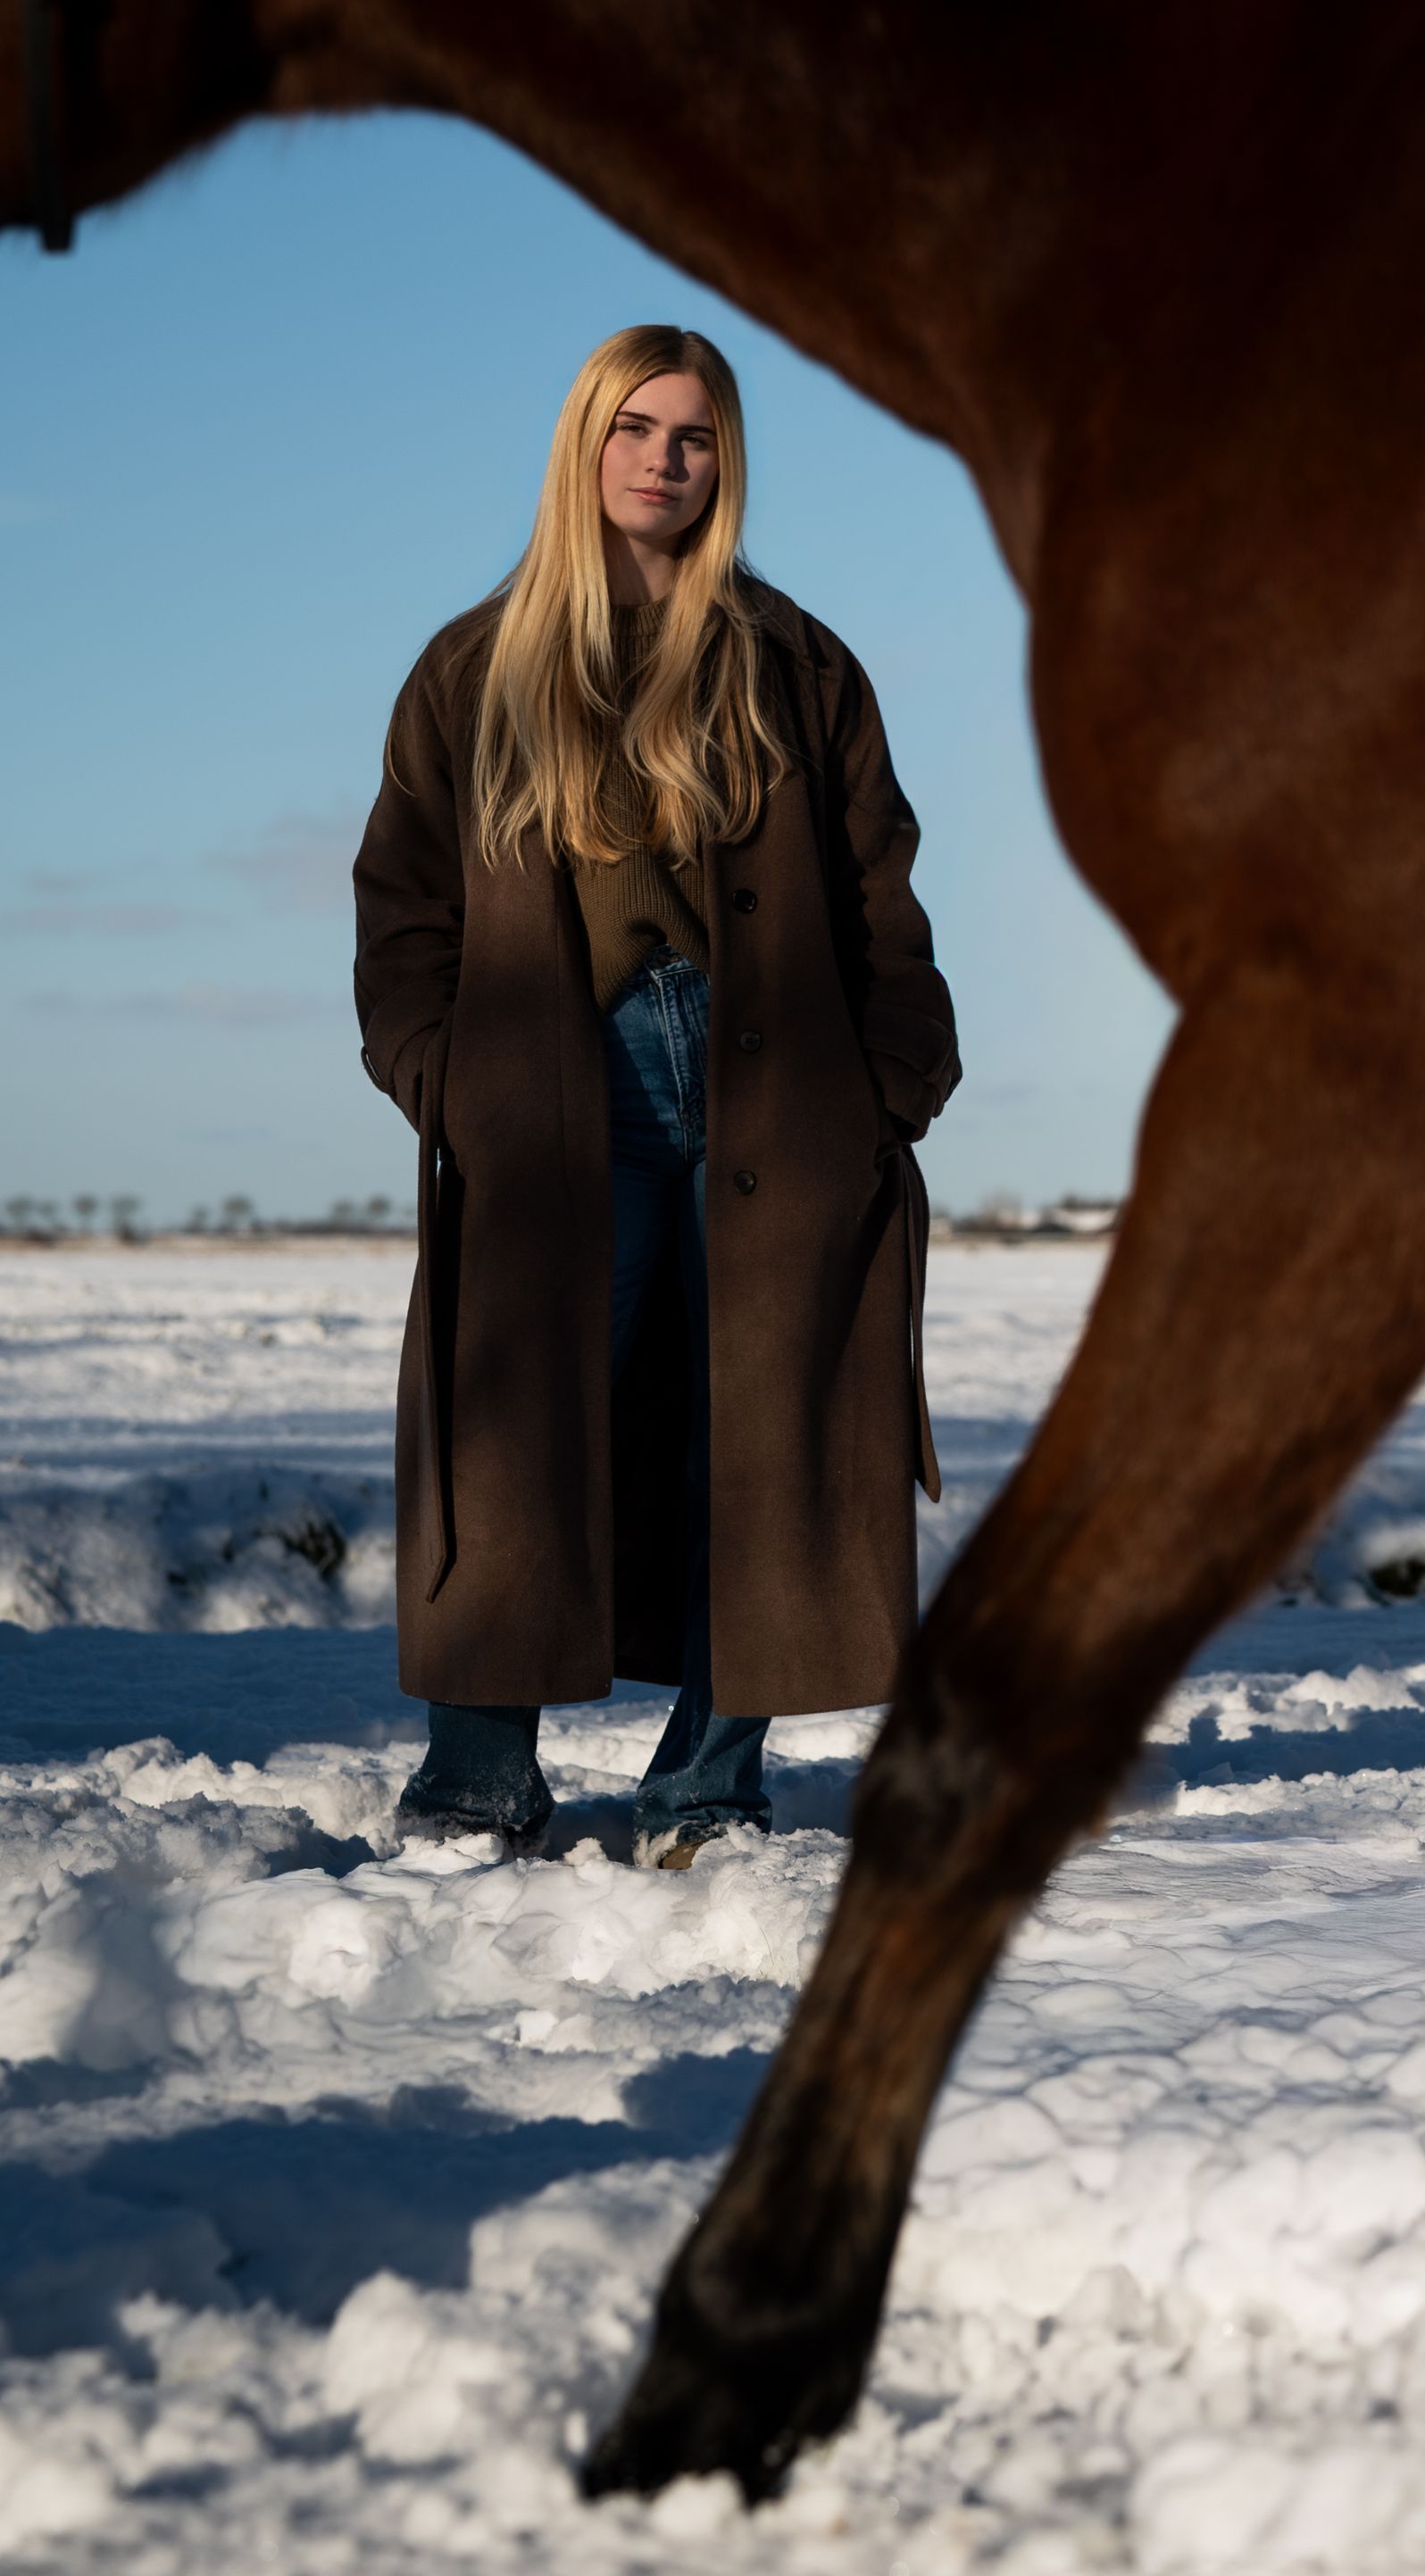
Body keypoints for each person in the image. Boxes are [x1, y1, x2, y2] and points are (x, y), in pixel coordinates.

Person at [352, 323, 960, 1868]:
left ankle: (707, 1789)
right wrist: (446, 1082)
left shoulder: (797, 661)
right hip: (559, 1103)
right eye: (634, 427)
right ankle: (480, 1783)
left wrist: (894, 1086)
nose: (663, 460)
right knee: (518, 1438)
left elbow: (882, 894)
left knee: (755, 1439)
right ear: (584, 445)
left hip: (776, 1105)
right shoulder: (473, 665)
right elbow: (401, 913)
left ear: (723, 461)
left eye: (693, 435)